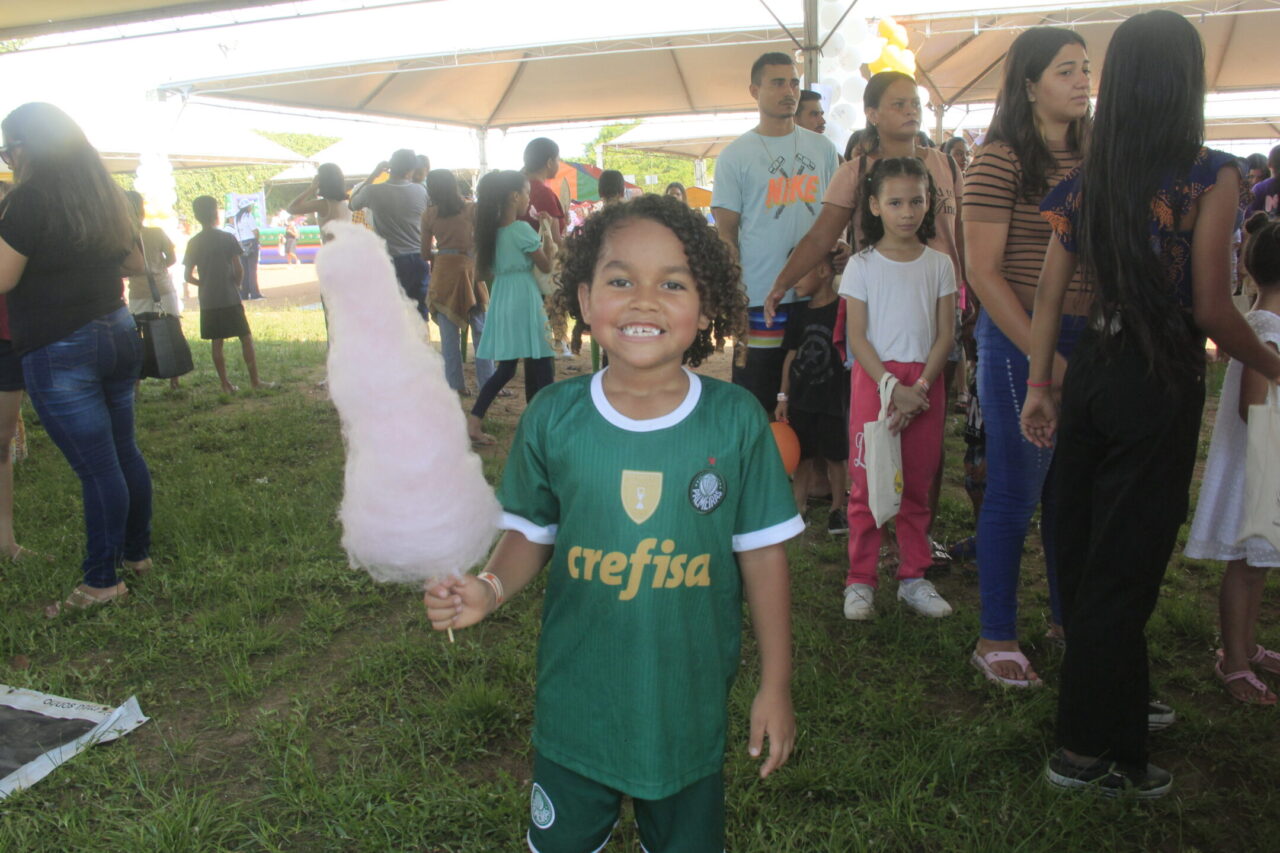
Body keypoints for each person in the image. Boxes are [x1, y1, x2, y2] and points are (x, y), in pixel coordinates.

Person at [426, 194, 799, 852]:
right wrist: (488, 587)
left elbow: (764, 557)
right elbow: (532, 532)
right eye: (621, 280)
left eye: (673, 284)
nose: (644, 301)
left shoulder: (737, 421)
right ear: (584, 297)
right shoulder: (553, 416)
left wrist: (775, 684)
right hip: (577, 708)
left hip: (686, 711)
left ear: (705, 305)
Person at [1021, 9, 1280, 797]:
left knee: (1088, 551)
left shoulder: (1091, 177)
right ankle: (1086, 753)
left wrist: (1040, 384)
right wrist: (1273, 360)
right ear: (1185, 82)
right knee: (1125, 566)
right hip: (1158, 379)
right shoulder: (1212, 175)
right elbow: (1211, 305)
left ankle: (1118, 720)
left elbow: (1049, 292)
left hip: (1093, 368)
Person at [766, 69, 963, 565]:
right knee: (876, 430)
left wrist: (970, 291)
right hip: (876, 316)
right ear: (872, 114)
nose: (911, 111)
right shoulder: (854, 172)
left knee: (928, 429)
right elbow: (820, 235)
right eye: (898, 104)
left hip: (940, 303)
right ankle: (876, 539)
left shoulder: (943, 164)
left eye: (915, 102)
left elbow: (958, 234)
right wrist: (783, 281)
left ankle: (917, 538)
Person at [961, 27, 1092, 687]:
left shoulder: (1097, 155)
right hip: (1019, 339)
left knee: (1075, 493)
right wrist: (1047, 360)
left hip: (1089, 335)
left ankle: (1068, 621)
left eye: (1085, 67)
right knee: (1016, 490)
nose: (1082, 79)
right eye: (1066, 69)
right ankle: (996, 636)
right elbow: (984, 273)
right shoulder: (1001, 159)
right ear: (1030, 85)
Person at [0, 102, 152, 614]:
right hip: (117, 328)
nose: (9, 160)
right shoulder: (103, 193)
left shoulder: (29, 199)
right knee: (124, 451)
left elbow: (3, 277)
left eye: (8, 150)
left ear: (26, 147)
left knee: (97, 467)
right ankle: (136, 555)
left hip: (59, 345)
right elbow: (136, 262)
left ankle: (102, 583)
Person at [840, 158, 956, 621]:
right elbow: (857, 337)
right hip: (875, 382)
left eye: (916, 201)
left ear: (928, 202)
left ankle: (913, 577)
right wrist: (892, 388)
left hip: (926, 384)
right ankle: (860, 580)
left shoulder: (940, 264)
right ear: (875, 205)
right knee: (868, 485)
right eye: (895, 202)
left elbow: (945, 335)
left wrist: (919, 388)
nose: (907, 212)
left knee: (917, 485)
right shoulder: (861, 266)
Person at [1185, 212, 1280, 704]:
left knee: (1259, 562)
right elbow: (1252, 405)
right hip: (1259, 464)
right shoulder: (1266, 329)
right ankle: (1234, 659)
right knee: (1245, 565)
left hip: (1268, 460)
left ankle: (1247, 645)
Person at [712, 51, 840, 413]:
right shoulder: (735, 156)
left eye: (794, 83)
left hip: (818, 295)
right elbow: (726, 235)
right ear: (754, 90)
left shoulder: (823, 149)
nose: (789, 91)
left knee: (817, 395)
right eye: (778, 83)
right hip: (760, 297)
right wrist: (733, 296)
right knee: (758, 394)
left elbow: (836, 217)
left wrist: (842, 246)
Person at [467, 170, 555, 445]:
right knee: (541, 359)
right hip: (525, 298)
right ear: (514, 196)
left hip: (503, 297)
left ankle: (474, 421)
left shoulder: (489, 233)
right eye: (527, 192)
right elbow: (546, 265)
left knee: (506, 368)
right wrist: (549, 231)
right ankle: (544, 423)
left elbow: (483, 272)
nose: (529, 198)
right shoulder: (521, 230)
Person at [775, 249, 848, 534]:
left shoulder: (844, 309)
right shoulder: (799, 313)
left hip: (833, 399)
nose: (794, 280)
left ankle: (838, 510)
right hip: (802, 400)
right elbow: (790, 355)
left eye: (800, 272)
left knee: (835, 457)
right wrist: (783, 396)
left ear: (823, 271)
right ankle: (798, 508)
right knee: (802, 456)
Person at [421, 168, 494, 396]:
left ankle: (455, 384)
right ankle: (487, 383)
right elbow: (483, 240)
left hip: (443, 274)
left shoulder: (429, 215)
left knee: (448, 336)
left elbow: (425, 253)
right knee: (481, 330)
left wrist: (443, 253)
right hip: (469, 271)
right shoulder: (472, 209)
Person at [184, 195, 267, 393]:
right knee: (245, 337)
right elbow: (239, 269)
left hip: (208, 300)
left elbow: (187, 275)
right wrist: (235, 286)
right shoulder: (227, 238)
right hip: (229, 296)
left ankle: (225, 384)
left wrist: (204, 284)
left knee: (217, 341)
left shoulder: (194, 242)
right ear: (215, 213)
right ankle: (255, 380)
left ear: (196, 215)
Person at [350, 149, 430, 319]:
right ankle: (423, 336)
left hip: (389, 260)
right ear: (410, 170)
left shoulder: (372, 191)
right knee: (420, 314)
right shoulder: (421, 191)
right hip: (418, 259)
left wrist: (374, 174)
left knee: (391, 314)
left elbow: (352, 204)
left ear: (390, 167)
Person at [124, 190, 182, 391]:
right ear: (142, 211)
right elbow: (172, 258)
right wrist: (157, 268)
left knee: (136, 337)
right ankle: (174, 380)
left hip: (138, 293)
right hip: (163, 289)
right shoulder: (157, 233)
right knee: (171, 331)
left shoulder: (123, 238)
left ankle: (136, 386)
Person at [518, 137, 570, 357]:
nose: (558, 164)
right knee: (543, 333)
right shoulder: (544, 193)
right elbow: (556, 239)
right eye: (557, 159)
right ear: (549, 162)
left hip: (518, 270)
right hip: (542, 268)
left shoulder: (516, 188)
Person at [286, 162, 352, 238]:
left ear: (321, 181)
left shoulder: (323, 205)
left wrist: (311, 188)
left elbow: (291, 209)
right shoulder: (346, 203)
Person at [230, 199, 263, 300]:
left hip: (241, 243)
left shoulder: (236, 218)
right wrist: (257, 240)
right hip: (251, 242)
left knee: (244, 269)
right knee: (252, 269)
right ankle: (255, 293)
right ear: (247, 207)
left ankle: (244, 293)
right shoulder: (248, 216)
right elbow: (255, 231)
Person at [1247, 144, 1280, 217]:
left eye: (1260, 177)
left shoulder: (1260, 189)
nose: (1255, 181)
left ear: (1269, 164)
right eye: (1250, 177)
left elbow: (1248, 218)